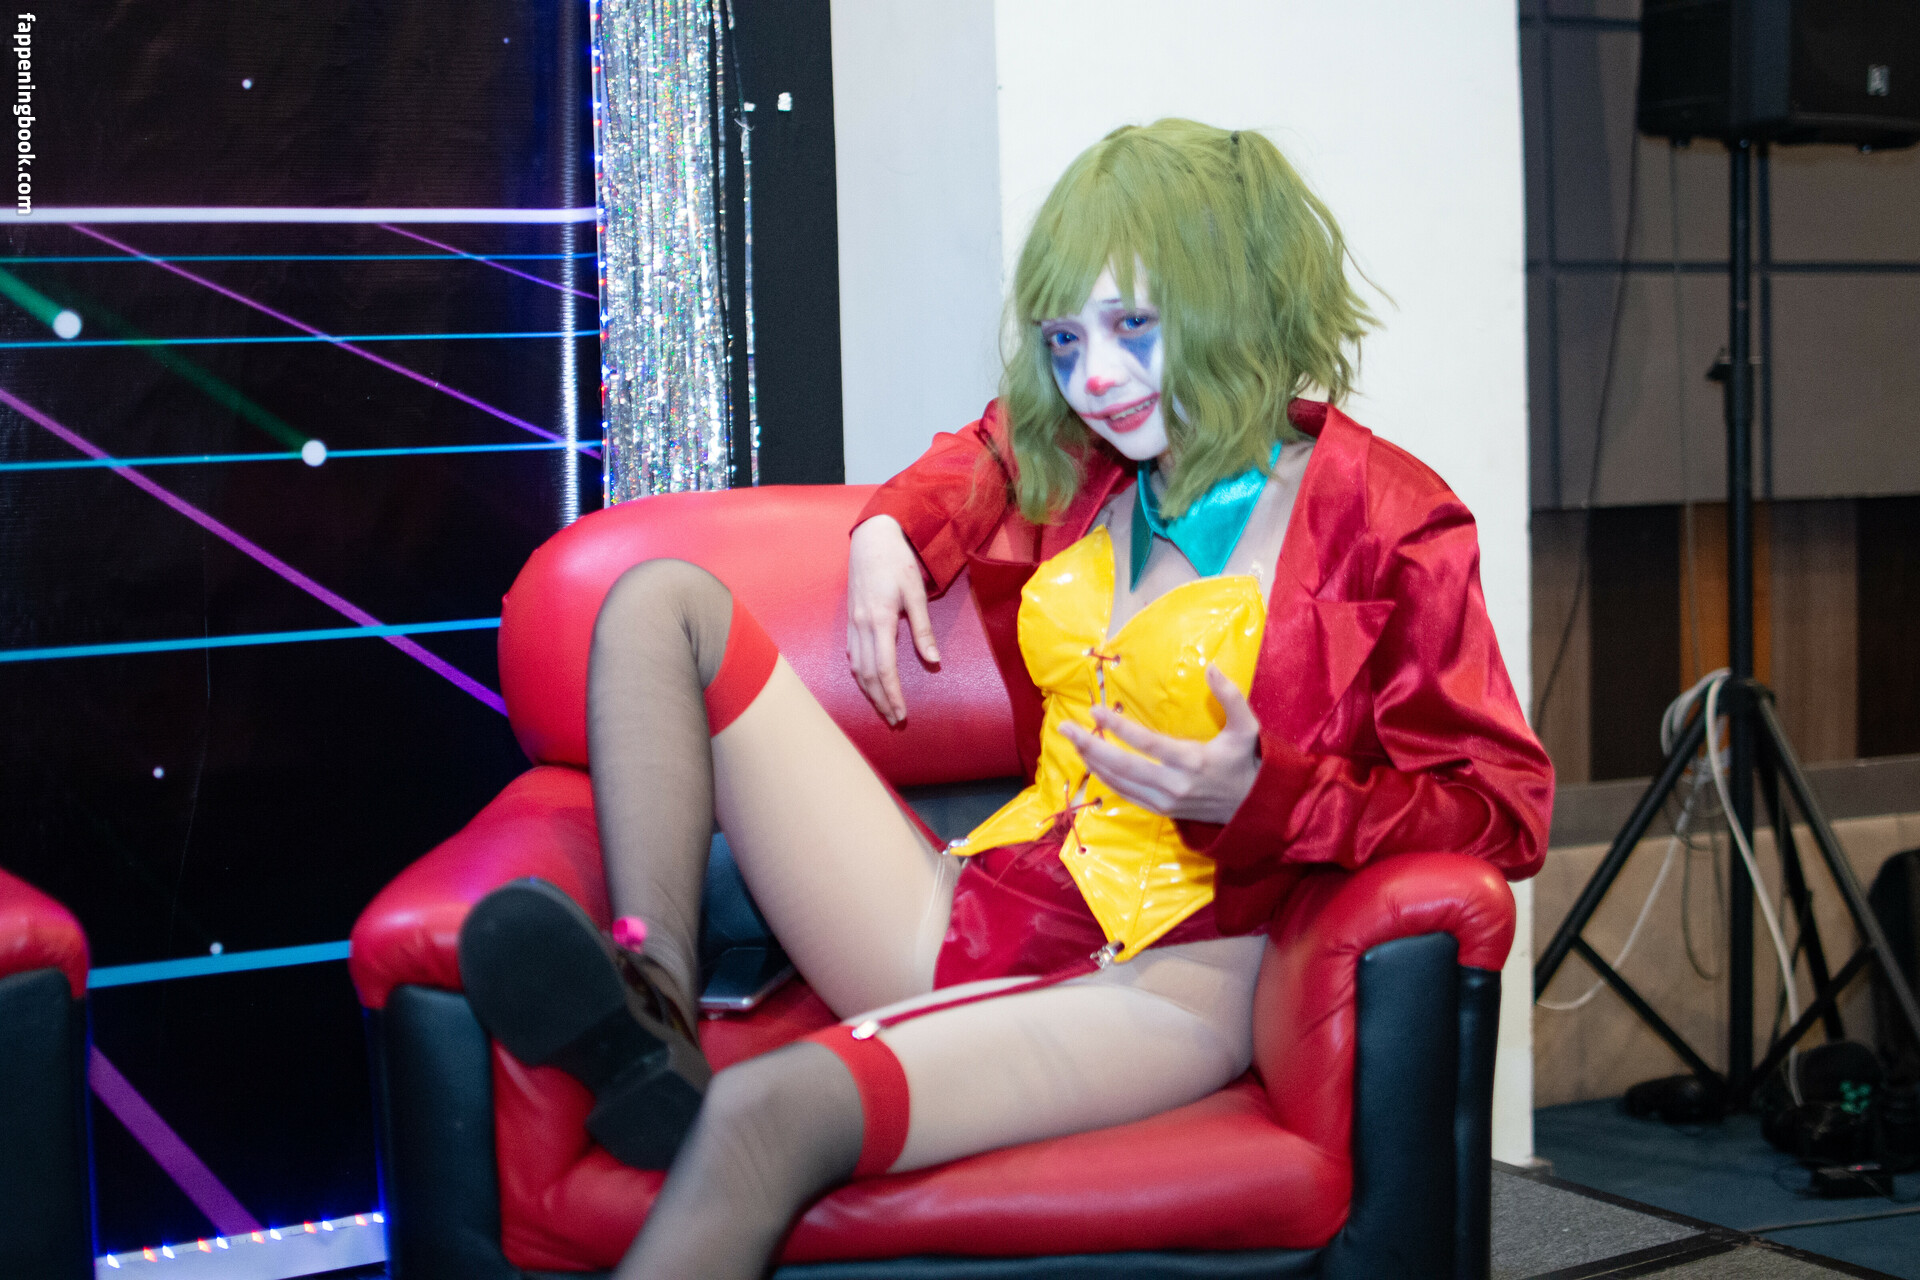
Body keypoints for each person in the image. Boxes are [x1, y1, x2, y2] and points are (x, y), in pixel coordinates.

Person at [457, 118, 1553, 1280]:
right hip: (977, 901)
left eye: (1134, 327)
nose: (1096, 378)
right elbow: (985, 445)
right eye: (1065, 339)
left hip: (1170, 970)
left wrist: (1271, 798)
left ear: (1236, 294)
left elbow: (1504, 809)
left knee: (770, 1109)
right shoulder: (1082, 456)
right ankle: (655, 1006)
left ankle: (692, 1079)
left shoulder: (1387, 517)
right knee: (658, 602)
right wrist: (888, 527)